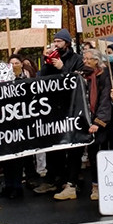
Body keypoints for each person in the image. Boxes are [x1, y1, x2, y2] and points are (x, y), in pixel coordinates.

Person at [34, 29, 85, 194]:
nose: (56, 44)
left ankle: (71, 180)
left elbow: (78, 82)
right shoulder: (49, 59)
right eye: (54, 41)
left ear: (67, 43)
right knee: (54, 146)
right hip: (54, 109)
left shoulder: (77, 59)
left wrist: (63, 69)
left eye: (59, 41)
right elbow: (41, 80)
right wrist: (48, 64)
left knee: (73, 147)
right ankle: (53, 178)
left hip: (72, 108)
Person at [57, 48, 111, 201]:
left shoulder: (104, 76)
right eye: (84, 59)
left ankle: (97, 186)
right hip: (80, 120)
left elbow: (104, 101)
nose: (85, 61)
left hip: (95, 123)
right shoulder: (80, 75)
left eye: (88, 59)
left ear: (96, 60)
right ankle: (71, 186)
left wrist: (98, 122)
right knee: (74, 154)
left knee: (94, 155)